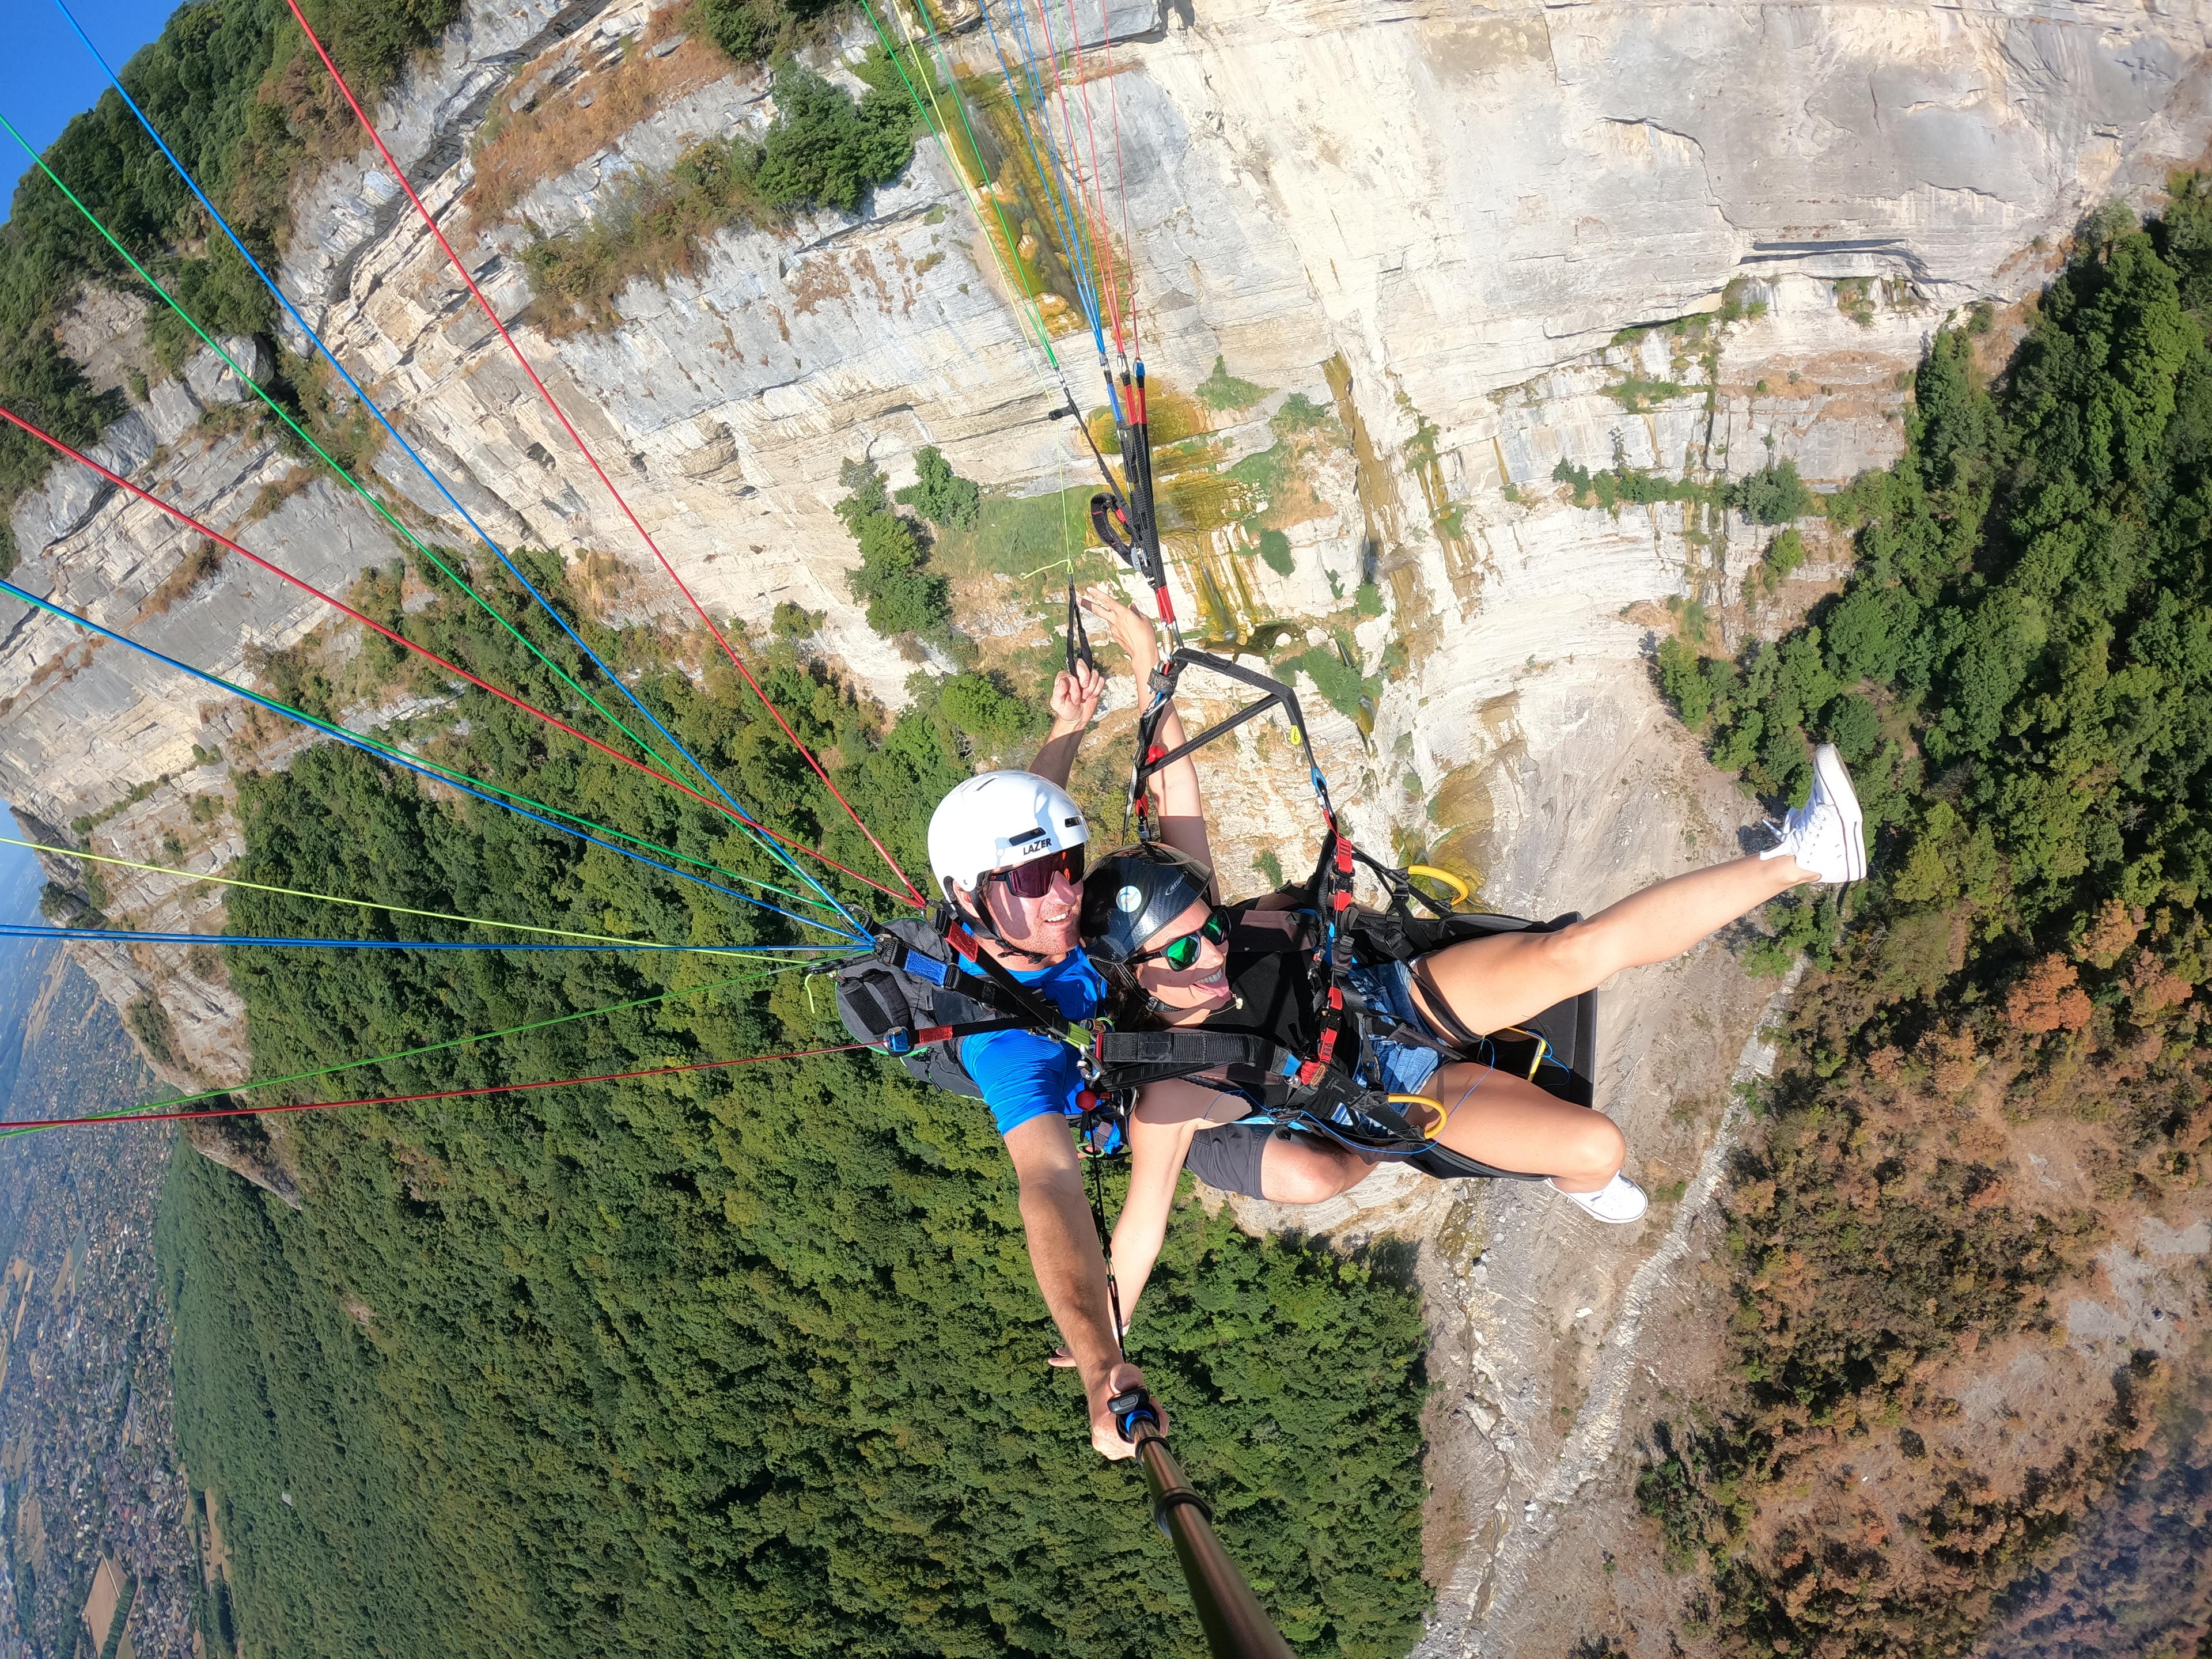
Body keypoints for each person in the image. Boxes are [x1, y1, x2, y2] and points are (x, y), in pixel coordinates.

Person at [1035, 591, 1868, 1351]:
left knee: (1570, 956)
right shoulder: (1172, 1096)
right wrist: (1100, 1351)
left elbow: (1174, 773)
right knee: (1598, 1147)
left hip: (1393, 993)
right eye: (1182, 952)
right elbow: (1137, 1234)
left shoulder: (1184, 908)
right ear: (1136, 974)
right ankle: (1580, 1180)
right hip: (1393, 1094)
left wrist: (1150, 660)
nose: (1212, 949)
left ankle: (1803, 857)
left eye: (1208, 927)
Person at [916, 592, 1194, 1461]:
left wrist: (1069, 726)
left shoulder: (1040, 901)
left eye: (1070, 870)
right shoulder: (1003, 1042)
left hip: (1193, 1047)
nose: (1068, 894)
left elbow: (1029, 831)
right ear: (973, 900)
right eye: (1038, 885)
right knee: (1312, 1174)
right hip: (1163, 1100)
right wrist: (1097, 1364)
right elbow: (1049, 1185)